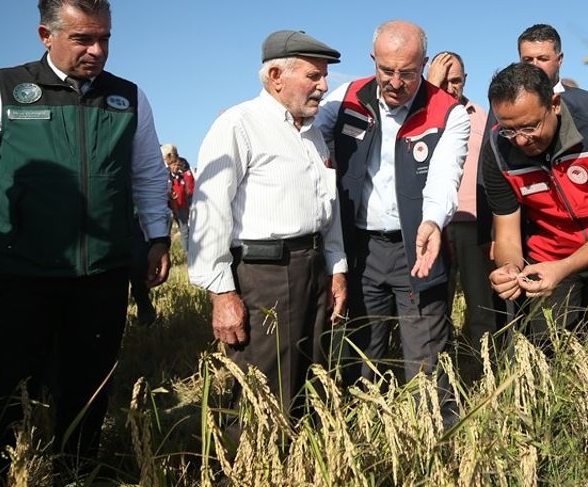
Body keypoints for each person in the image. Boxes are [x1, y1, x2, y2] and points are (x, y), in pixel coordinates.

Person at [0, 0, 173, 474]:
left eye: (104, 38)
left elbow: (149, 173)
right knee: (0, 388)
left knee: (89, 387)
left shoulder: (127, 96)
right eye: (83, 39)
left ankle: (77, 474)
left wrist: (158, 237)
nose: (96, 50)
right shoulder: (2, 88)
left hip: (102, 274)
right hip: (20, 271)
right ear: (46, 35)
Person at [187, 29, 348, 416]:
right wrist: (222, 294)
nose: (324, 86)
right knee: (265, 383)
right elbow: (209, 211)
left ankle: (302, 451)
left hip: (312, 268)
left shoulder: (313, 135)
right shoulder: (238, 125)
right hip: (265, 275)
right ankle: (251, 453)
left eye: (325, 76)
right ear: (276, 76)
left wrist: (336, 268)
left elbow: (328, 206)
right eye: (313, 76)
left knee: (310, 376)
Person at [316, 21, 469, 405]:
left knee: (426, 355)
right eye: (386, 70)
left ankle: (436, 429)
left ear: (424, 64)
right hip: (360, 249)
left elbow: (444, 177)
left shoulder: (448, 112)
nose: (396, 82)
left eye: (408, 73)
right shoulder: (344, 99)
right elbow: (309, 142)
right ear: (373, 60)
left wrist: (432, 221)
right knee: (359, 350)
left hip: (416, 248)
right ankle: (358, 426)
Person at [482, 63, 588, 400]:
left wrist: (563, 268)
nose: (521, 140)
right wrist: (511, 269)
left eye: (530, 126)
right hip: (548, 256)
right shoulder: (496, 150)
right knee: (550, 355)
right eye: (509, 129)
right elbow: (507, 237)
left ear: (554, 105)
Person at [426, 50, 501, 378]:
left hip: (472, 224)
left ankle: (484, 369)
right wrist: (431, 94)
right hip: (432, 225)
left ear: (466, 80)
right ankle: (438, 370)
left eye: (456, 80)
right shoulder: (420, 114)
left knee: (480, 302)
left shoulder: (480, 116)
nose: (450, 87)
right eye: (443, 81)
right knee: (435, 302)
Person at [161, 143, 195, 234]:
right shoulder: (162, 169)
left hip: (174, 206)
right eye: (175, 155)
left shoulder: (167, 170)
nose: (177, 157)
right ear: (169, 156)